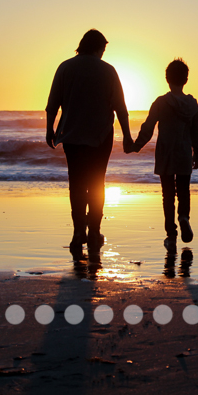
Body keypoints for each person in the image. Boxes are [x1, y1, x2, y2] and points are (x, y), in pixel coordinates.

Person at [45, 29, 134, 252]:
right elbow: (121, 108)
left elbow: (53, 103)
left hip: (72, 136)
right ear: (98, 47)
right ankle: (94, 232)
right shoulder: (108, 70)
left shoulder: (65, 67)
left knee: (76, 184)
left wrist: (50, 130)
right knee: (97, 183)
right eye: (103, 49)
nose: (103, 54)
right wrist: (127, 136)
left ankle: (77, 233)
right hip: (100, 137)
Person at [130, 58, 198, 248]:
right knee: (184, 191)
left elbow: (148, 127)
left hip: (165, 154)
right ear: (185, 80)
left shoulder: (161, 103)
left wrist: (137, 145)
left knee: (168, 195)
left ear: (167, 79)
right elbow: (197, 132)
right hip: (184, 153)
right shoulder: (192, 104)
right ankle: (184, 217)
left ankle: (171, 235)